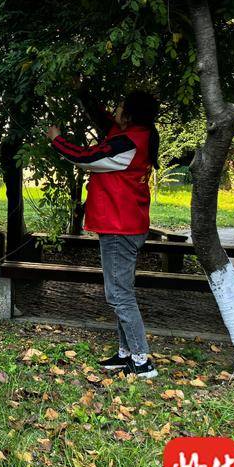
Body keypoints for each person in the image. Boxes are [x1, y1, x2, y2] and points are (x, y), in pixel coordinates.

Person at [47, 90, 161, 379]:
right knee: (120, 292)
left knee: (119, 295)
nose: (116, 110)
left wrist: (56, 139)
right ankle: (125, 354)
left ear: (131, 115)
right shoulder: (136, 134)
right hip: (122, 225)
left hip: (119, 228)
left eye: (121, 106)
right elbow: (103, 119)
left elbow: (85, 157)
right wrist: (80, 86)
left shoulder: (128, 143)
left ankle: (141, 360)